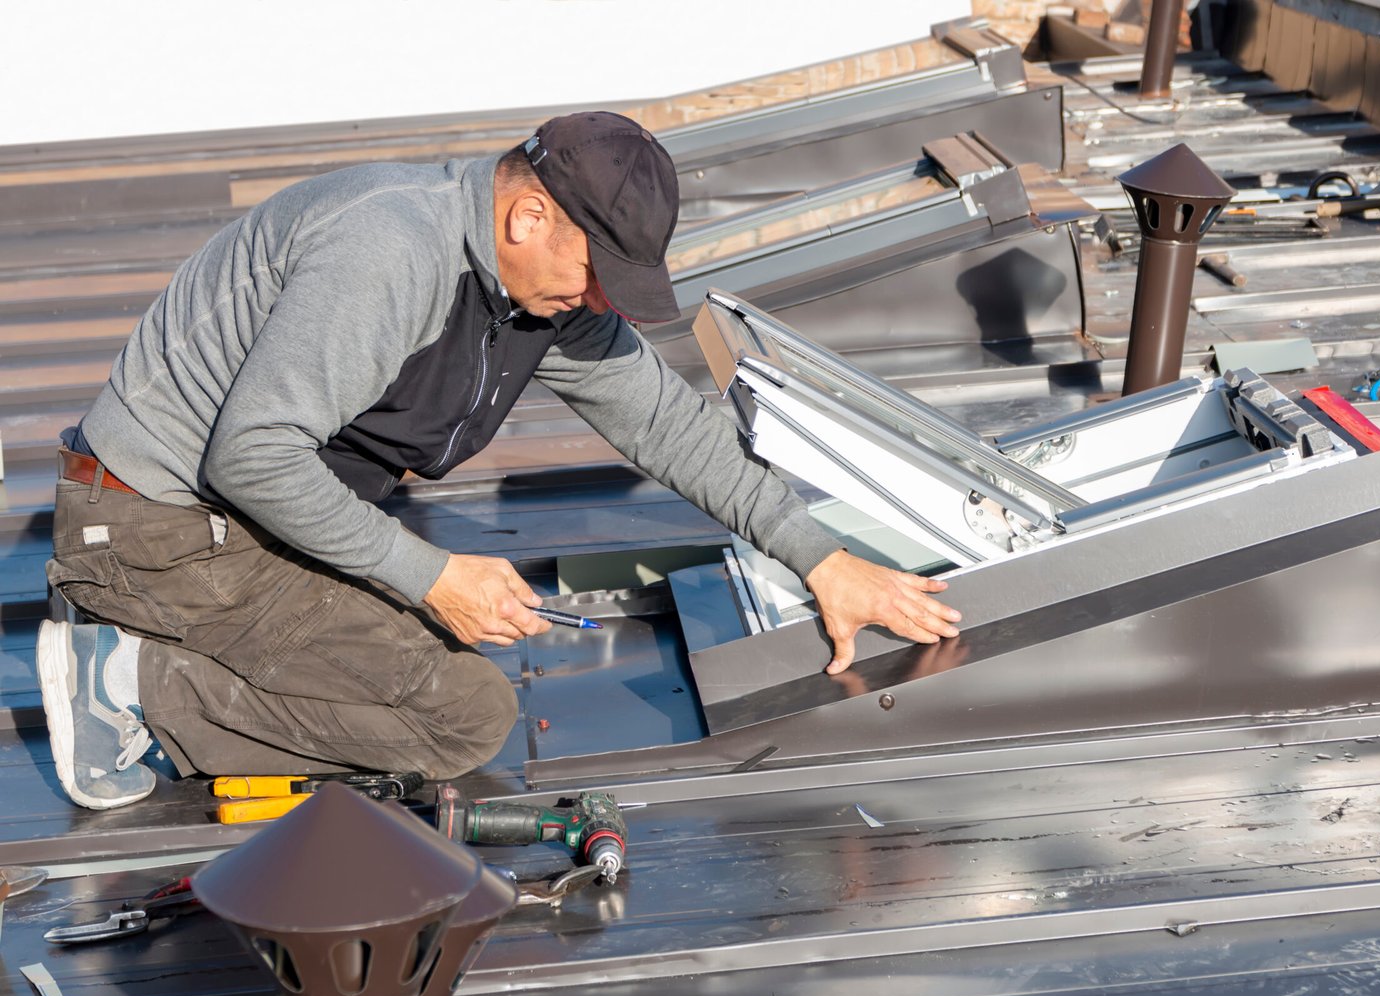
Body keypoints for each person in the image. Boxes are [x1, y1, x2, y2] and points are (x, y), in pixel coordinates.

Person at [36, 112, 961, 810]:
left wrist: (820, 558)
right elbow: (252, 456)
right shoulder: (391, 251)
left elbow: (671, 426)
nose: (601, 303)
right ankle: (124, 676)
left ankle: (158, 649)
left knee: (453, 684)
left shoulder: (539, 293)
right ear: (526, 216)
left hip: (249, 524)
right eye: (595, 276)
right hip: (157, 528)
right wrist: (429, 573)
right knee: (460, 717)